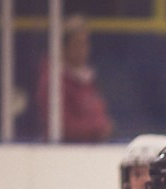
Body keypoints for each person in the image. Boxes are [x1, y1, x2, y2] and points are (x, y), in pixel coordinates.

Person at [34, 15, 113, 143]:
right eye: (78, 43)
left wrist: (104, 126)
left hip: (91, 149)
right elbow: (62, 125)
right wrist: (97, 128)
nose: (83, 49)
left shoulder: (88, 79)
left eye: (85, 43)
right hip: (65, 152)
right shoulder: (52, 81)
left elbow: (99, 112)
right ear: (63, 47)